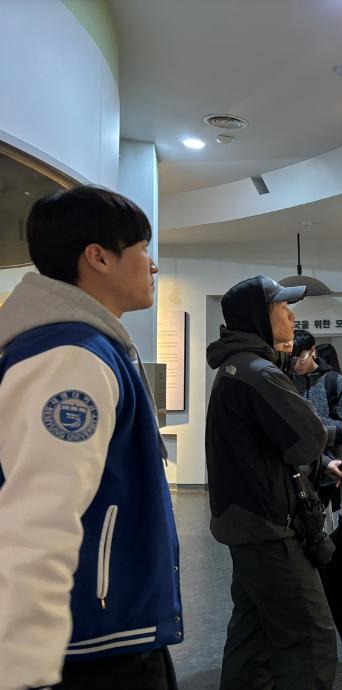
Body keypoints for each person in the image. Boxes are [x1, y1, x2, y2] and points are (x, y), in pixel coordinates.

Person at [0, 186, 182, 690]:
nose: (153, 266)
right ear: (98, 257)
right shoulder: (70, 357)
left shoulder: (89, 346)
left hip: (109, 630)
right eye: (143, 249)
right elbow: (38, 517)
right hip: (86, 647)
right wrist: (25, 669)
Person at [205, 275, 342, 690]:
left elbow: (272, 444)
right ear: (259, 316)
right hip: (269, 525)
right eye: (283, 308)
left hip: (245, 521)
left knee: (253, 634)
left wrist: (320, 462)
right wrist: (338, 433)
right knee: (311, 638)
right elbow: (306, 439)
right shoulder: (259, 373)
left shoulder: (237, 367)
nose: (292, 317)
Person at [291, 332, 342, 464]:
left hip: (333, 461)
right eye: (291, 358)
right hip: (296, 460)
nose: (296, 364)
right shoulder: (285, 381)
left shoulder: (336, 381)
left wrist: (307, 419)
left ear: (312, 350)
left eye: (300, 357)